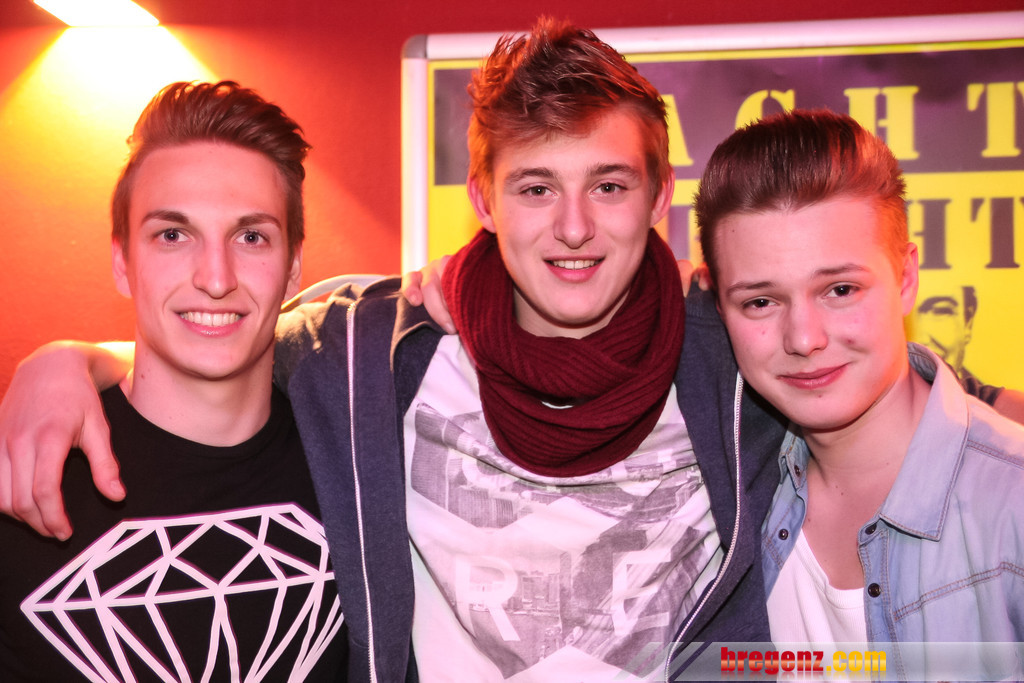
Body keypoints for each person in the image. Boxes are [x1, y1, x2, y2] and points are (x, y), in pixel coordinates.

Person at [2, 20, 1022, 683]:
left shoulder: (735, 346)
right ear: (484, 199)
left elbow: (911, 391)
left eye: (609, 185)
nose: (574, 227)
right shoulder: (370, 351)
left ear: (658, 196)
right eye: (536, 187)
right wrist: (68, 359)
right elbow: (216, 333)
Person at [0, 81, 347, 681]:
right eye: (172, 235)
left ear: (293, 267)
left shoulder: (362, 467)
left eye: (251, 236)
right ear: (121, 261)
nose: (215, 278)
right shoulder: (22, 470)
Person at [694, 109, 1024, 679]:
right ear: (718, 307)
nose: (804, 338)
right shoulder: (737, 490)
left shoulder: (1011, 502)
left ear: (906, 279)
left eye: (840, 289)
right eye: (760, 302)